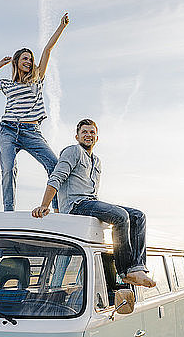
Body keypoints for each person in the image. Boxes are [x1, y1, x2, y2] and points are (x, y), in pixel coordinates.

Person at [31, 119, 156, 288]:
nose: (88, 135)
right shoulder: (73, 151)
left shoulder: (96, 161)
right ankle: (125, 271)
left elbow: (93, 194)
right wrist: (44, 205)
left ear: (97, 138)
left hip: (91, 203)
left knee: (138, 216)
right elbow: (57, 177)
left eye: (92, 132)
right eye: (84, 132)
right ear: (77, 136)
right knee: (120, 216)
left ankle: (137, 267)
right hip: (76, 205)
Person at [0, 13, 69, 211]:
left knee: (54, 165)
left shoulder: (37, 79)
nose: (29, 61)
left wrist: (61, 27)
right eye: (25, 58)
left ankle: (55, 209)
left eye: (30, 59)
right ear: (17, 61)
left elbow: (47, 50)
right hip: (7, 130)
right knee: (8, 169)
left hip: (31, 132)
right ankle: (8, 211)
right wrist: (1, 63)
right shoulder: (7, 84)